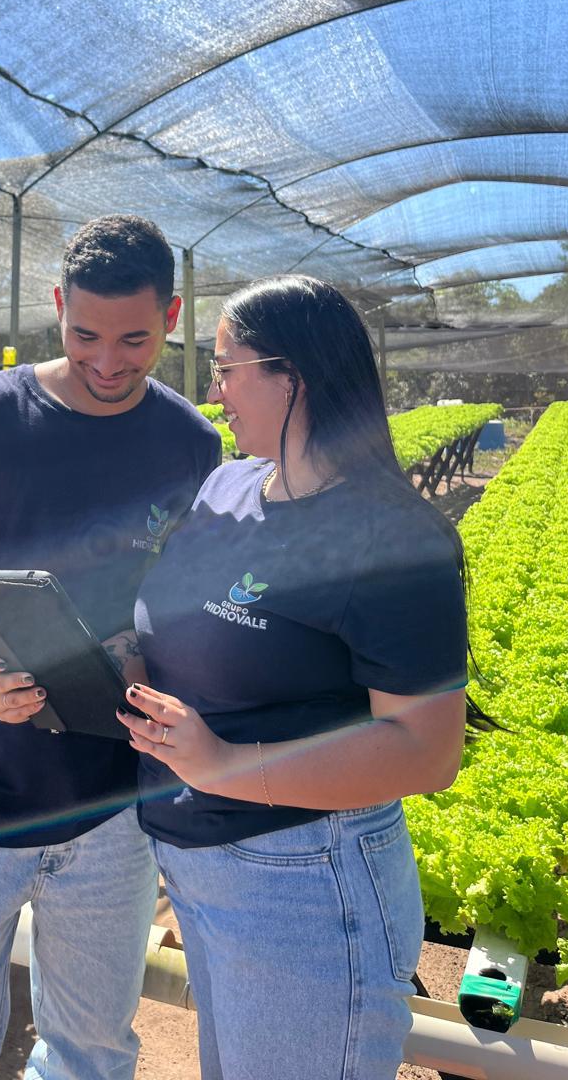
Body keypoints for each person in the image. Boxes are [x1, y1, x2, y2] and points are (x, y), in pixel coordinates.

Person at [0, 214, 221, 1080]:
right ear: (58, 306)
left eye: (134, 340)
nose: (108, 362)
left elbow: (184, 606)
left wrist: (126, 656)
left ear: (172, 317)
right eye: (84, 334)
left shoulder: (191, 444)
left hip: (111, 808)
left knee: (90, 1052)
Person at [116, 276, 472, 1079]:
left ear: (293, 376)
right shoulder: (228, 484)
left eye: (226, 369)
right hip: (196, 865)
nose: (214, 393)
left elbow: (427, 751)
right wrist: (80, 661)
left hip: (305, 884)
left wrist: (224, 764)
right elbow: (172, 630)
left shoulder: (390, 539)